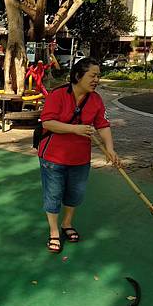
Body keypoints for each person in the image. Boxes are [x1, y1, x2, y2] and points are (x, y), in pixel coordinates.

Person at [37, 57, 121, 253]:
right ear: (77, 76)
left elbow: (103, 125)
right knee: (53, 195)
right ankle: (54, 231)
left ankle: (67, 223)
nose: (96, 80)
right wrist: (74, 129)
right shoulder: (57, 95)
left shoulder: (96, 100)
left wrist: (110, 148)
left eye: (98, 76)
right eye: (92, 76)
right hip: (53, 157)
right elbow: (47, 123)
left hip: (80, 158)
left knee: (75, 194)